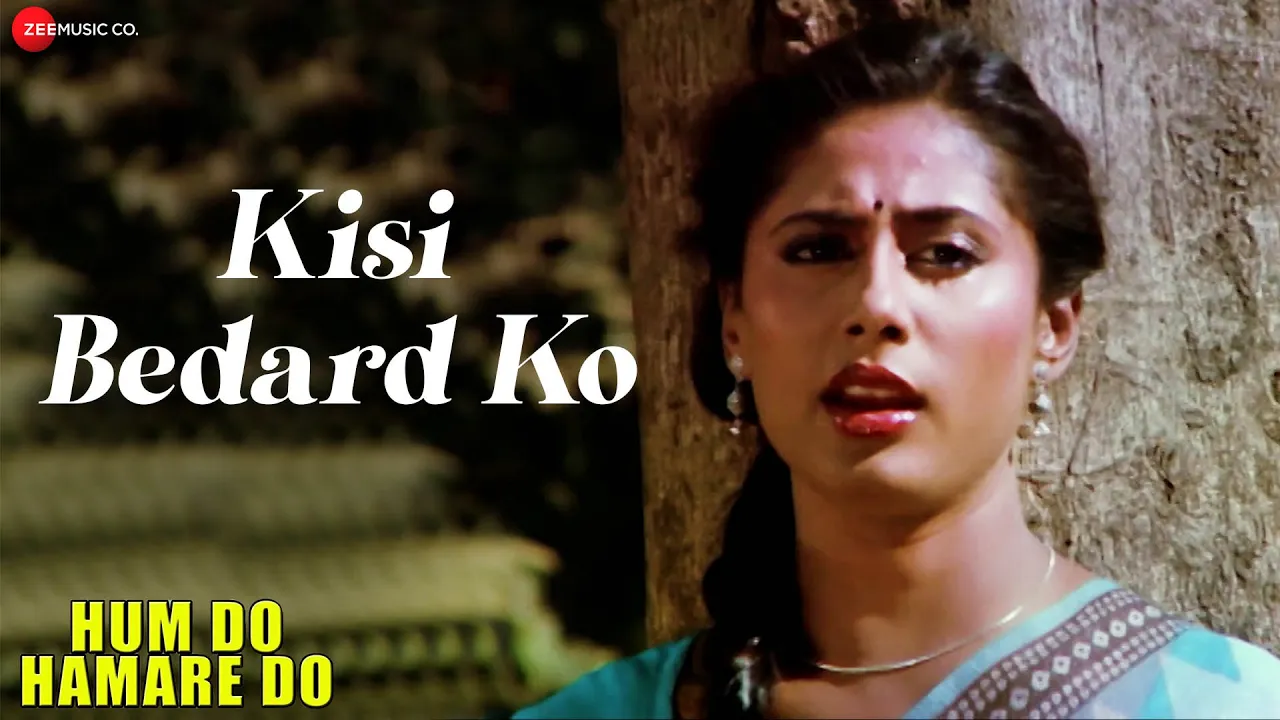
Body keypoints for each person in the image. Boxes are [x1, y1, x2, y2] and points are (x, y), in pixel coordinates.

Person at [513, 14, 1280, 720]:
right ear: (734, 320)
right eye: (818, 249)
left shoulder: (1221, 705)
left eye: (946, 253)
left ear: (1053, 325)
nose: (878, 303)